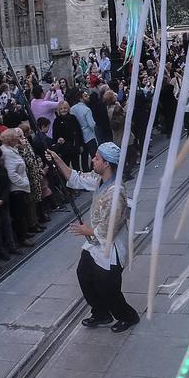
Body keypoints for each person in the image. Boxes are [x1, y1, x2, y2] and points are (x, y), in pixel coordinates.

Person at [46, 142, 139, 332]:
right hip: (94, 244)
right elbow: (77, 178)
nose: (93, 160)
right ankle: (101, 313)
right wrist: (57, 159)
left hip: (110, 248)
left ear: (107, 164)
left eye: (97, 158)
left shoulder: (116, 192)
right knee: (84, 274)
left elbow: (111, 228)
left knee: (108, 287)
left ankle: (128, 316)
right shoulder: (99, 179)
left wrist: (87, 231)